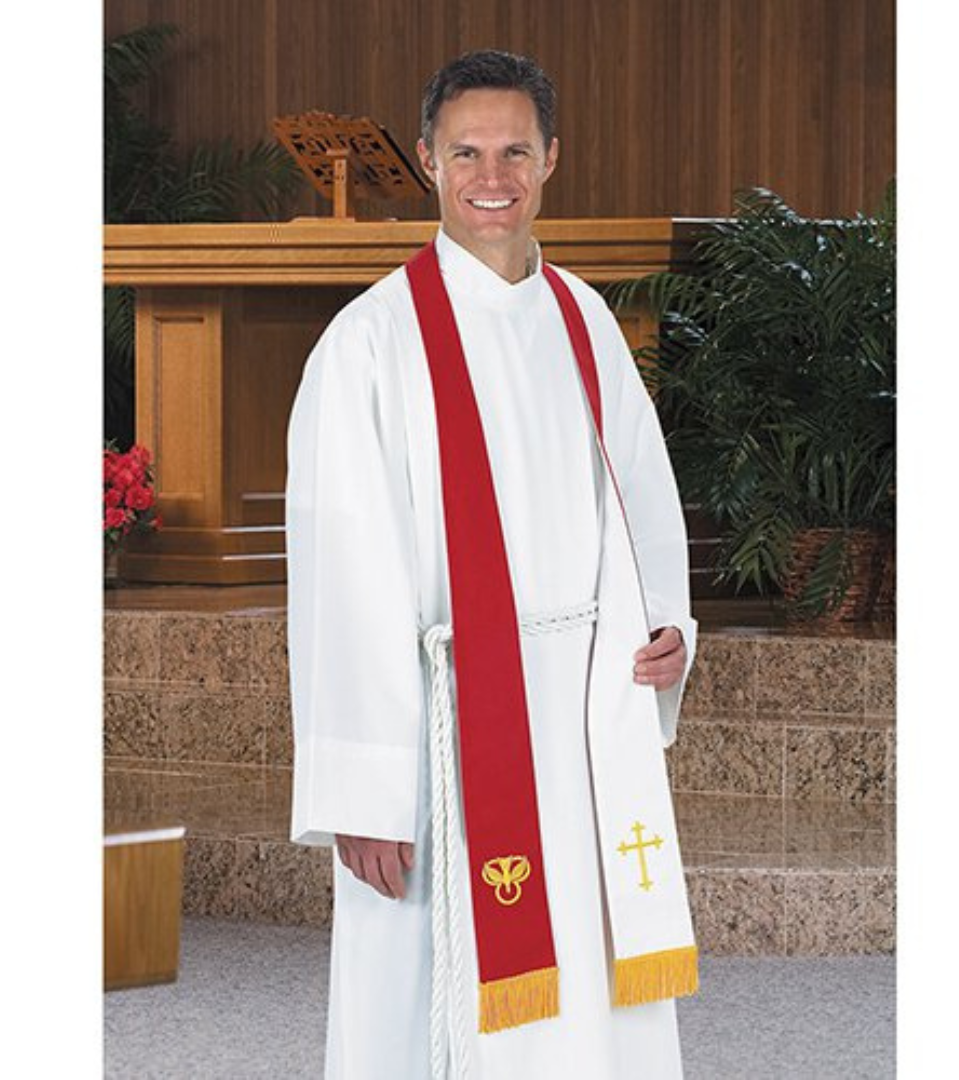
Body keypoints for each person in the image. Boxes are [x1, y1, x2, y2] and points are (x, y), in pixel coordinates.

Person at [286, 49, 699, 1080]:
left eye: (515, 150)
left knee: (591, 982)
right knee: (436, 988)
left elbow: (641, 496)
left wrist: (666, 624)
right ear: (428, 161)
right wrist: (365, 789)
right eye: (466, 152)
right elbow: (341, 579)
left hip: (585, 714)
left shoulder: (583, 319)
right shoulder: (370, 344)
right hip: (442, 727)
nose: (492, 176)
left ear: (551, 158)